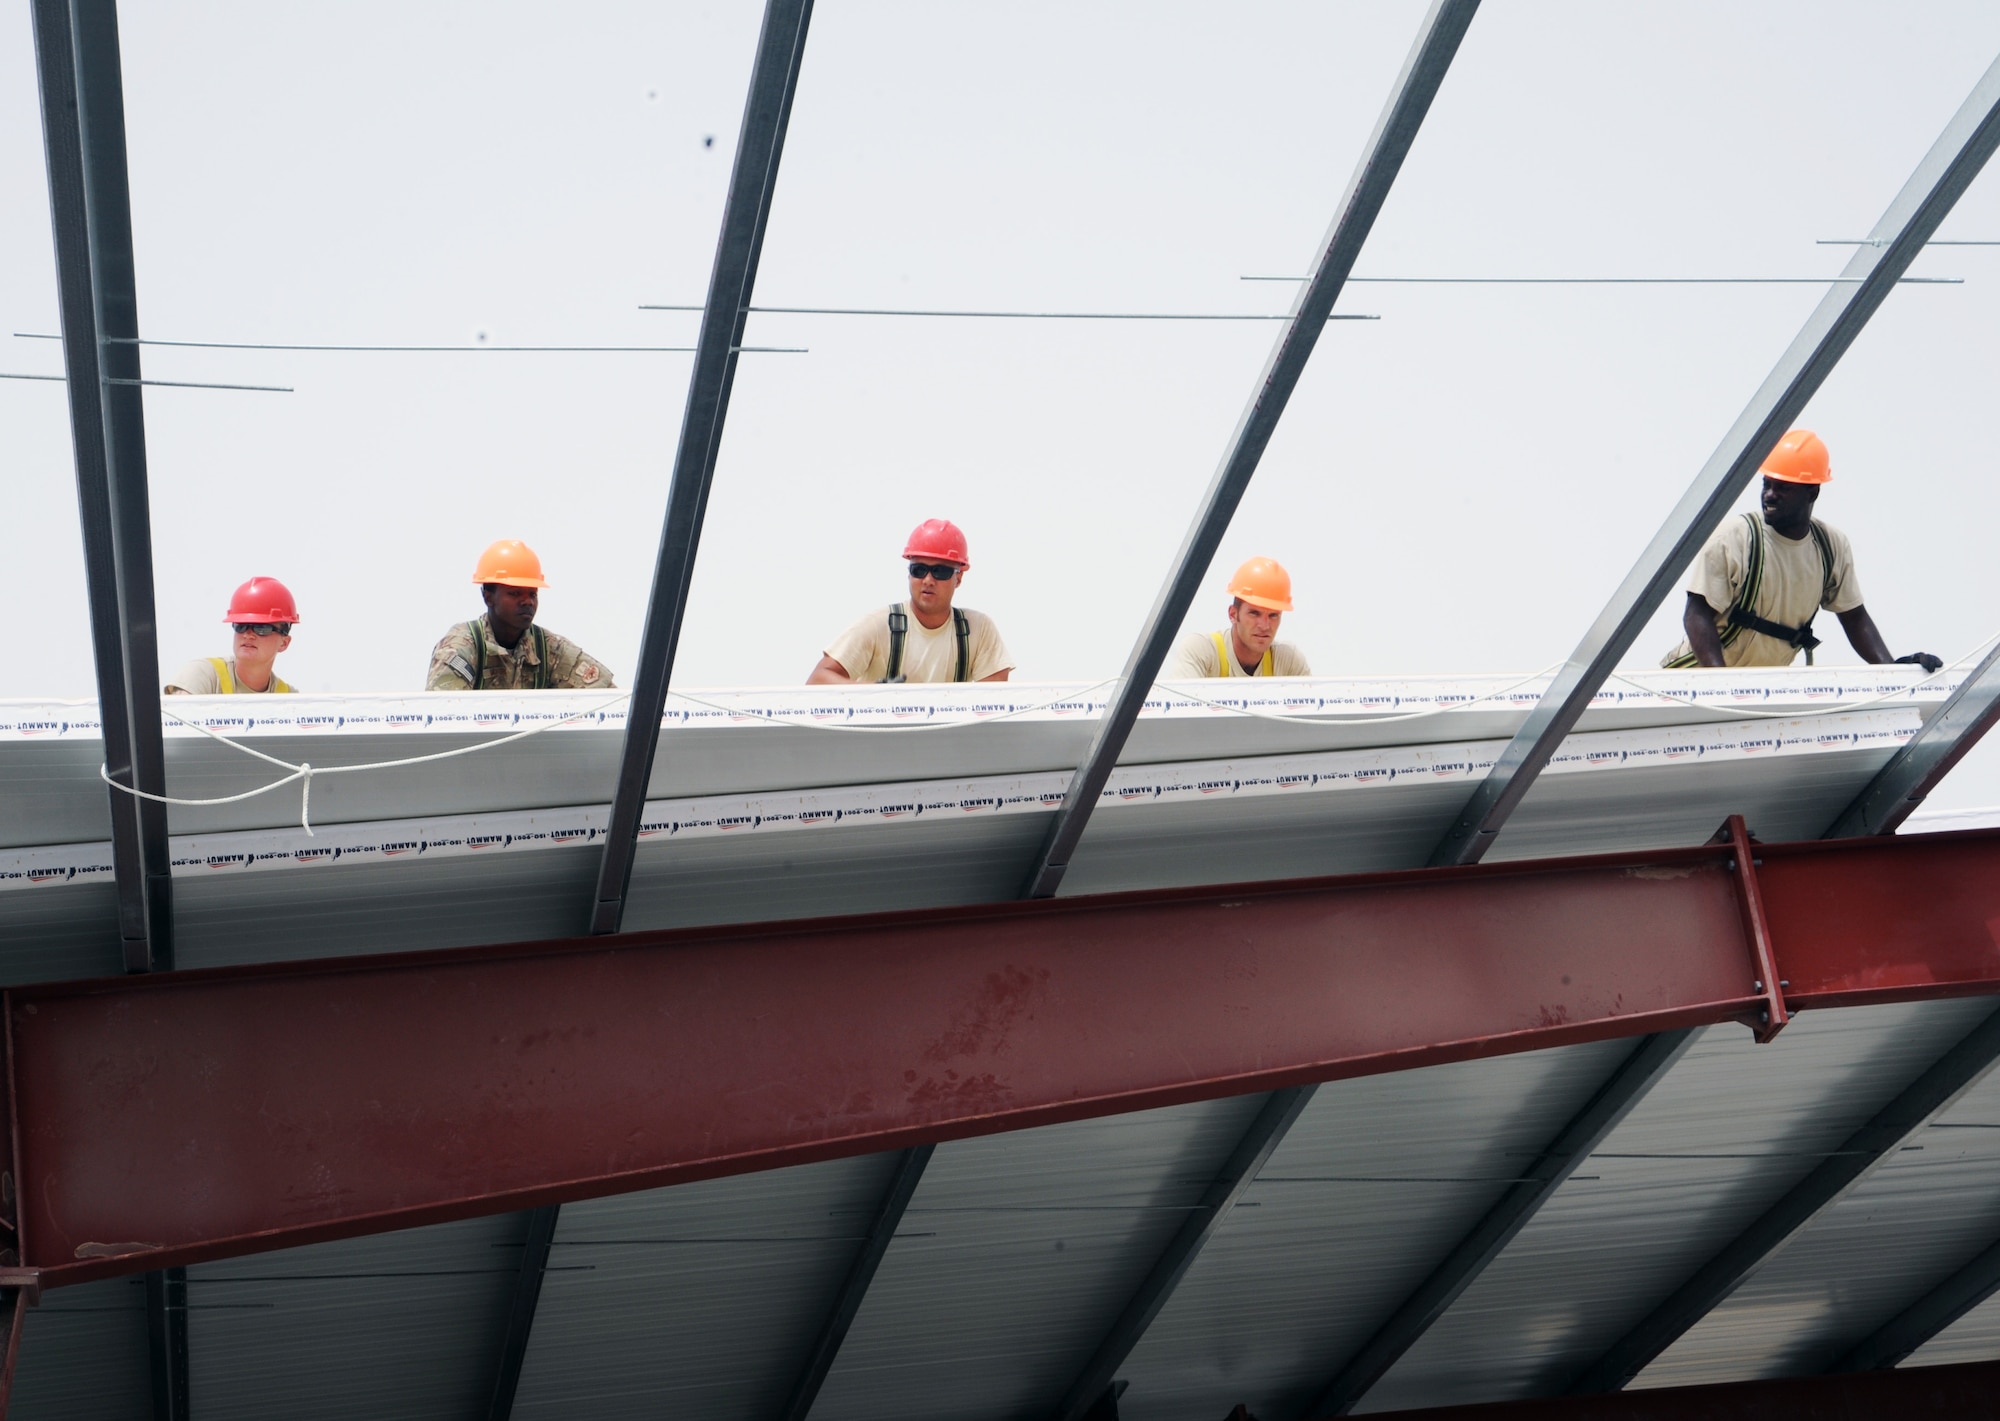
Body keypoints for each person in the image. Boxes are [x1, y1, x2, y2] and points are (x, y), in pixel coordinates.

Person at [1662, 429, 1939, 672]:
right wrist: (1720, 687)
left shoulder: (1830, 546)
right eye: (1766, 484)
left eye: (1782, 488)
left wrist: (1891, 672)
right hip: (1693, 681)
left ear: (1812, 493)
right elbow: (1696, 614)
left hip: (1756, 693)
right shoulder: (1736, 538)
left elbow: (1854, 618)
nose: (1769, 495)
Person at [809, 519, 1014, 683]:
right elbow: (818, 679)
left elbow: (994, 702)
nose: (928, 580)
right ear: (909, 574)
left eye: (940, 572)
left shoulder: (978, 631)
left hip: (947, 735)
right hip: (886, 734)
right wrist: (870, 694)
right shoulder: (880, 625)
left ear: (958, 578)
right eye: (919, 570)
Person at [426, 539, 616, 690]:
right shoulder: (464, 645)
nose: (527, 601)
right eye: (515, 593)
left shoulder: (549, 650)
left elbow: (610, 702)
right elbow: (442, 712)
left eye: (532, 593)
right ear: (488, 597)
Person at [1162, 557, 1312, 678]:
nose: (1265, 625)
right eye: (1255, 613)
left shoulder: (1287, 661)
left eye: (1273, 615)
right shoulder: (1202, 651)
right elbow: (1187, 711)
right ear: (1233, 614)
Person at [165, 577, 302, 695]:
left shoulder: (289, 700)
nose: (248, 634)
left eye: (261, 628)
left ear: (284, 643)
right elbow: (173, 722)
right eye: (240, 625)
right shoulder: (203, 675)